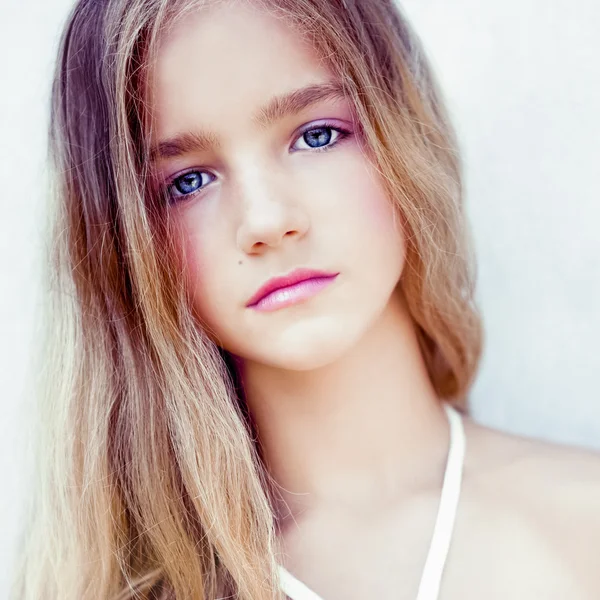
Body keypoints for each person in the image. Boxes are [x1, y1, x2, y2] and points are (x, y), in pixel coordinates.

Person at [12, 0, 600, 598]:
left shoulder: (585, 525)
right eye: (187, 182)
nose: (266, 220)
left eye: (316, 136)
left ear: (403, 134)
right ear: (124, 247)